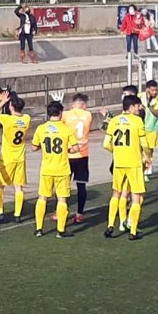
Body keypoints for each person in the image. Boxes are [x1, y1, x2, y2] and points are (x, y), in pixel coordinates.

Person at [31, 101, 80, 239]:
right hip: (62, 169)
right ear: (60, 112)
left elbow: (34, 147)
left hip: (46, 168)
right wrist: (67, 149)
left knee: (42, 198)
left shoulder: (41, 128)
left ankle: (39, 229)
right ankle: (60, 230)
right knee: (62, 199)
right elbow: (76, 148)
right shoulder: (66, 129)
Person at [103, 95, 149, 241]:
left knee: (116, 194)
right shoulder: (137, 121)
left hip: (118, 163)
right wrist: (147, 157)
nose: (139, 108)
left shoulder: (114, 120)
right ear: (131, 107)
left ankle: (110, 225)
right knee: (136, 197)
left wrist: (116, 151)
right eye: (137, 106)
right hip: (134, 163)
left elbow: (106, 144)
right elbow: (145, 144)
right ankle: (133, 232)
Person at [0, 92, 31, 225]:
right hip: (20, 158)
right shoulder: (27, 119)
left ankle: (0, 213)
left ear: (11, 107)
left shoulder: (7, 119)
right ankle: (17, 214)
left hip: (7, 158)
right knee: (18, 187)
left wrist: (2, 101)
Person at [63, 93, 93, 223]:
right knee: (81, 185)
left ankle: (62, 212)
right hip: (82, 155)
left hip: (68, 154)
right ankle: (79, 213)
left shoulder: (66, 114)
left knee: (64, 185)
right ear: (83, 104)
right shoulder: (88, 115)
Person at [137, 80, 158, 181]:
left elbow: (157, 112)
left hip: (152, 129)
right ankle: (139, 171)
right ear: (147, 89)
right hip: (141, 128)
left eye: (156, 90)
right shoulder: (140, 96)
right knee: (139, 151)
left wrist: (148, 106)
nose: (155, 92)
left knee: (149, 153)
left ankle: (145, 172)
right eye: (152, 90)